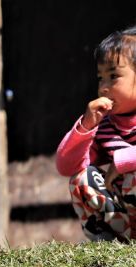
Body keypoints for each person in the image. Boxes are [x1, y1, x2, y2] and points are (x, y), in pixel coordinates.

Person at [56, 25, 136, 242]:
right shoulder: (105, 127)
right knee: (81, 179)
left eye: (114, 76)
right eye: (101, 78)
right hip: (127, 219)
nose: (104, 87)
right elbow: (67, 167)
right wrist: (86, 126)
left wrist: (120, 162)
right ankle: (109, 242)